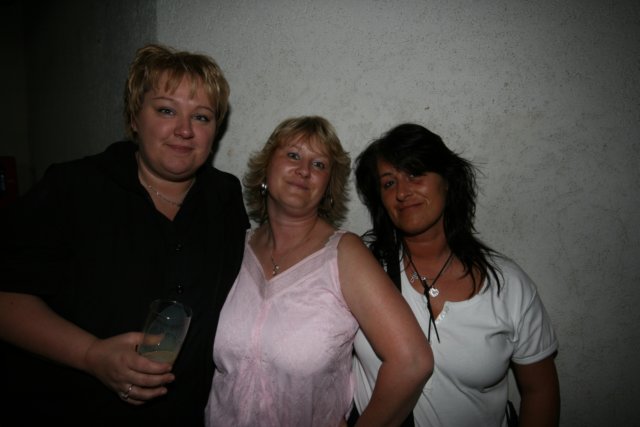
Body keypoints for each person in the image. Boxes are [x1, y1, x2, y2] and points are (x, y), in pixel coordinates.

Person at [0, 44, 249, 426]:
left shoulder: (225, 195)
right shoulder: (73, 188)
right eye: (166, 110)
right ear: (134, 117)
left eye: (201, 117)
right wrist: (91, 354)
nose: (185, 130)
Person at [205, 116, 433, 426]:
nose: (304, 170)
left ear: (327, 187)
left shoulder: (344, 254)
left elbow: (413, 361)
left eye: (319, 165)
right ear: (266, 169)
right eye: (293, 155)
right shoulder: (234, 247)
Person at [351, 123, 560, 427]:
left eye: (415, 173)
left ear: (447, 181)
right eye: (389, 183)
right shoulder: (361, 271)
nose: (402, 192)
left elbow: (539, 390)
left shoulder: (509, 287)